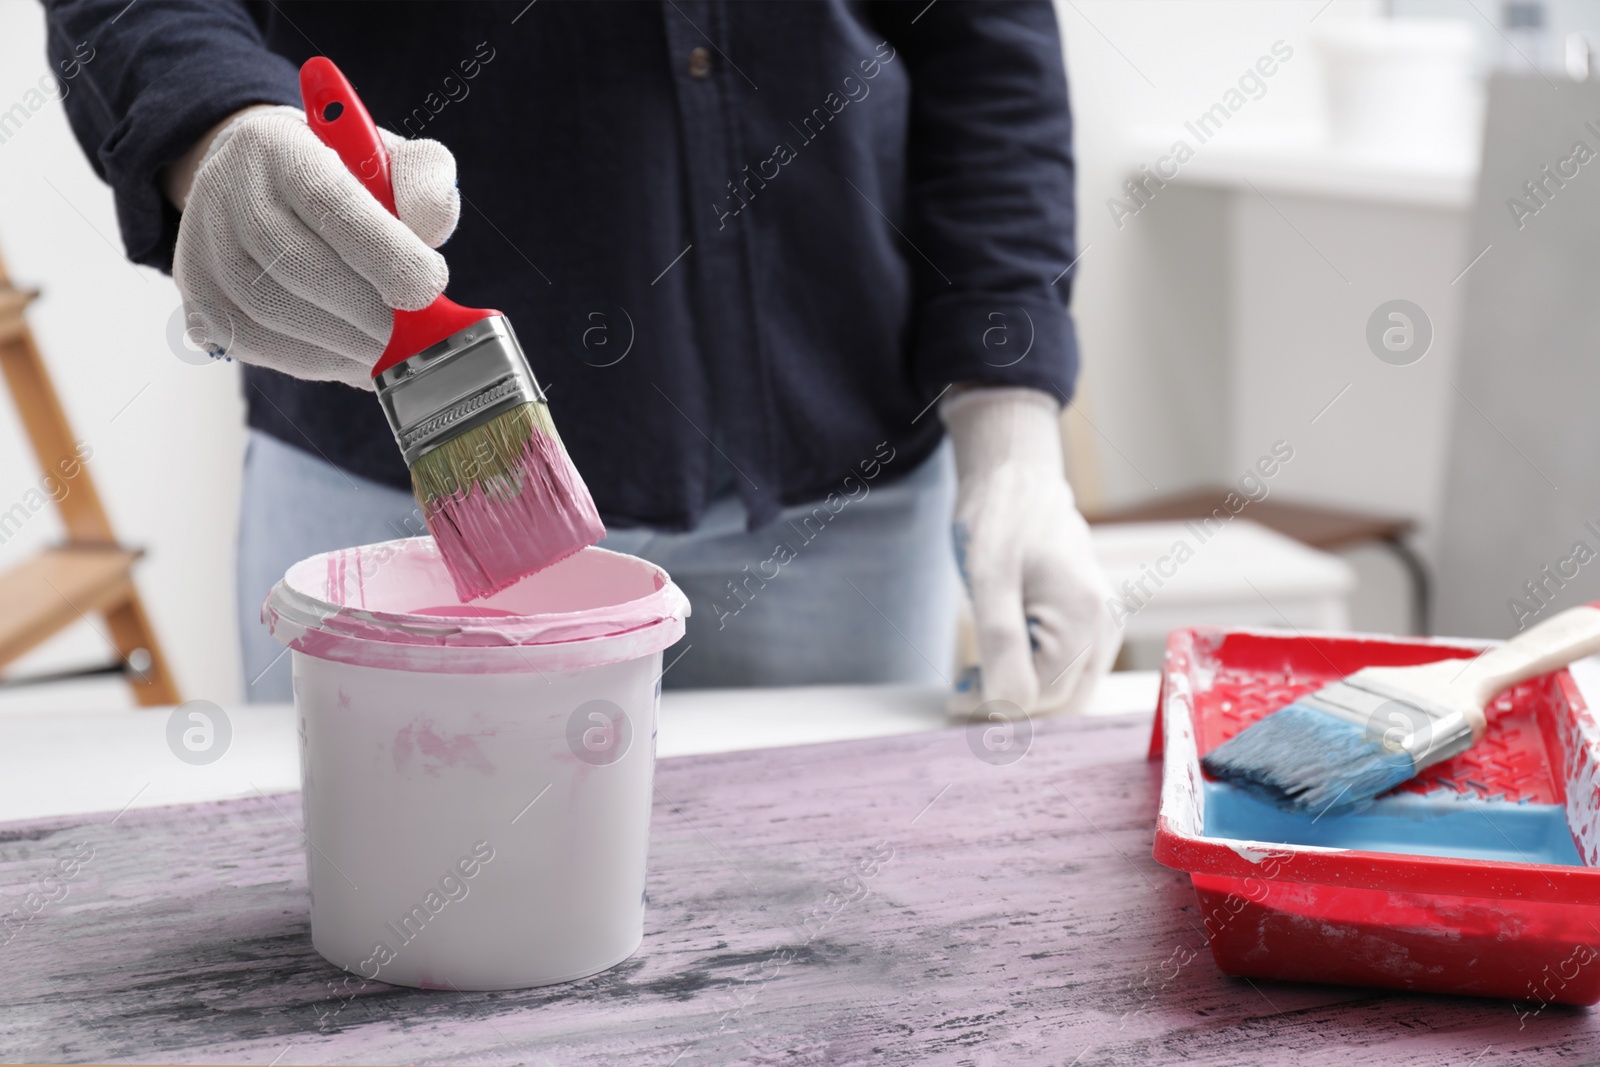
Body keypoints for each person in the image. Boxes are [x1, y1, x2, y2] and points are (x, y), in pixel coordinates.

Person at [46, 0, 1119, 716]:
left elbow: (986, 38)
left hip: (845, 503)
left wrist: (1013, 425)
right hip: (385, 496)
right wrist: (211, 118)